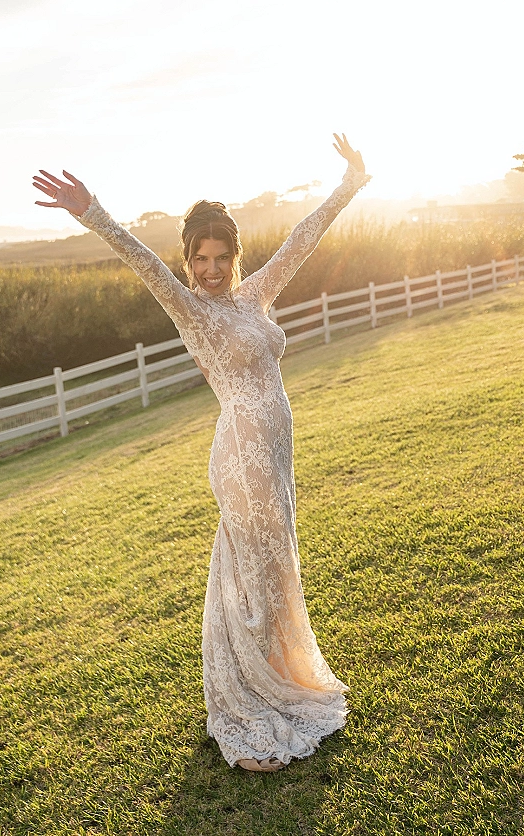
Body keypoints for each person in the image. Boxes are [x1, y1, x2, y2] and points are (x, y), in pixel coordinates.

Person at [33, 134, 370, 772]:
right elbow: (143, 263)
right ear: (188, 261)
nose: (210, 270)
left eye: (220, 257)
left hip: (273, 456)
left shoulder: (252, 297)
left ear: (235, 256)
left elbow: (302, 239)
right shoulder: (193, 311)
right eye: (200, 258)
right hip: (242, 461)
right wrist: (92, 212)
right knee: (252, 584)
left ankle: (279, 683)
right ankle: (245, 710)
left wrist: (349, 186)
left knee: (273, 579)